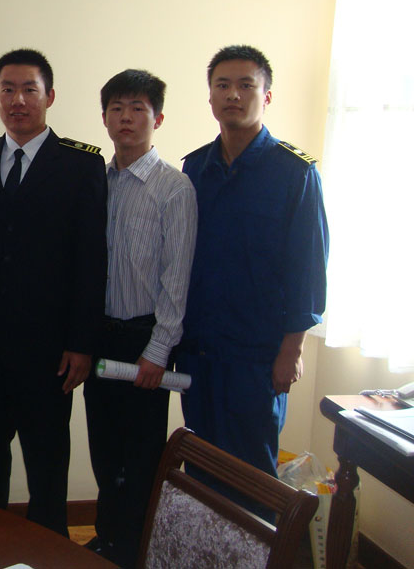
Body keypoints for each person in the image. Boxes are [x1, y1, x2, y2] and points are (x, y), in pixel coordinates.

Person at [0, 49, 106, 536]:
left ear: (50, 96)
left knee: (47, 462)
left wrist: (82, 342)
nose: (18, 100)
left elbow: (91, 261)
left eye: (29, 89)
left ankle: (50, 550)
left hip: (50, 350)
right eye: (8, 89)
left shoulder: (82, 165)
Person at [178, 45, 328, 485]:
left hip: (257, 355)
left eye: (246, 85)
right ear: (210, 97)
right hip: (199, 351)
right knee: (200, 467)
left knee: (251, 475)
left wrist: (292, 351)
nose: (233, 95)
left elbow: (308, 271)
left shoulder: (295, 173)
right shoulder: (195, 168)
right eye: (222, 85)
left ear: (267, 96)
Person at [84, 69, 197, 566]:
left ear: (158, 118)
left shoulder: (174, 188)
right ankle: (107, 539)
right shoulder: (97, 181)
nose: (126, 118)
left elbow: (177, 278)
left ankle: (134, 550)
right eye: (117, 108)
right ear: (104, 117)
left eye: (138, 109)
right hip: (99, 337)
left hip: (144, 340)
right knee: (104, 449)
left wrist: (157, 349)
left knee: (141, 455)